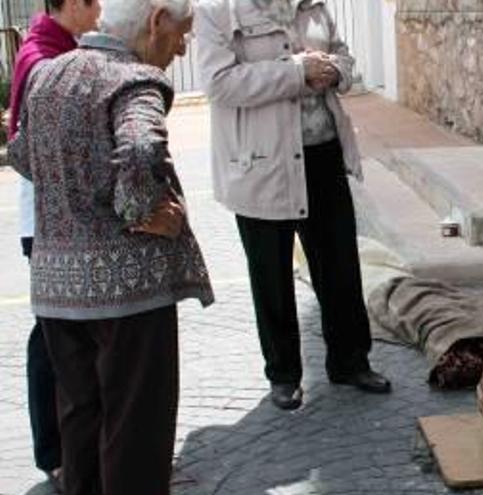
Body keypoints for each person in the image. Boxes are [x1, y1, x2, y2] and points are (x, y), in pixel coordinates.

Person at [7, 0, 212, 493]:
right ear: (155, 21)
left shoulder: (51, 73)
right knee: (135, 433)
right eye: (181, 33)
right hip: (127, 296)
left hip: (57, 287)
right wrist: (140, 209)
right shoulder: (135, 79)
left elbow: (20, 152)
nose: (182, 47)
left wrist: (73, 192)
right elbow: (141, 148)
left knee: (80, 423)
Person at [194, 0, 390, 410]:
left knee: (339, 263)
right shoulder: (218, 11)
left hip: (322, 152)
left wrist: (335, 70)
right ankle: (283, 374)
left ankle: (350, 360)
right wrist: (296, 73)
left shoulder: (313, 5)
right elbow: (220, 83)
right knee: (272, 273)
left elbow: (344, 56)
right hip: (262, 164)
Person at [7, 0, 101, 489]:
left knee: (64, 331)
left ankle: (75, 446)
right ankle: (53, 450)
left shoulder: (59, 43)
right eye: (95, 1)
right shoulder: (41, 57)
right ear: (72, 6)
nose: (102, 9)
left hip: (60, 214)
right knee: (51, 335)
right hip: (45, 219)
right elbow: (26, 148)